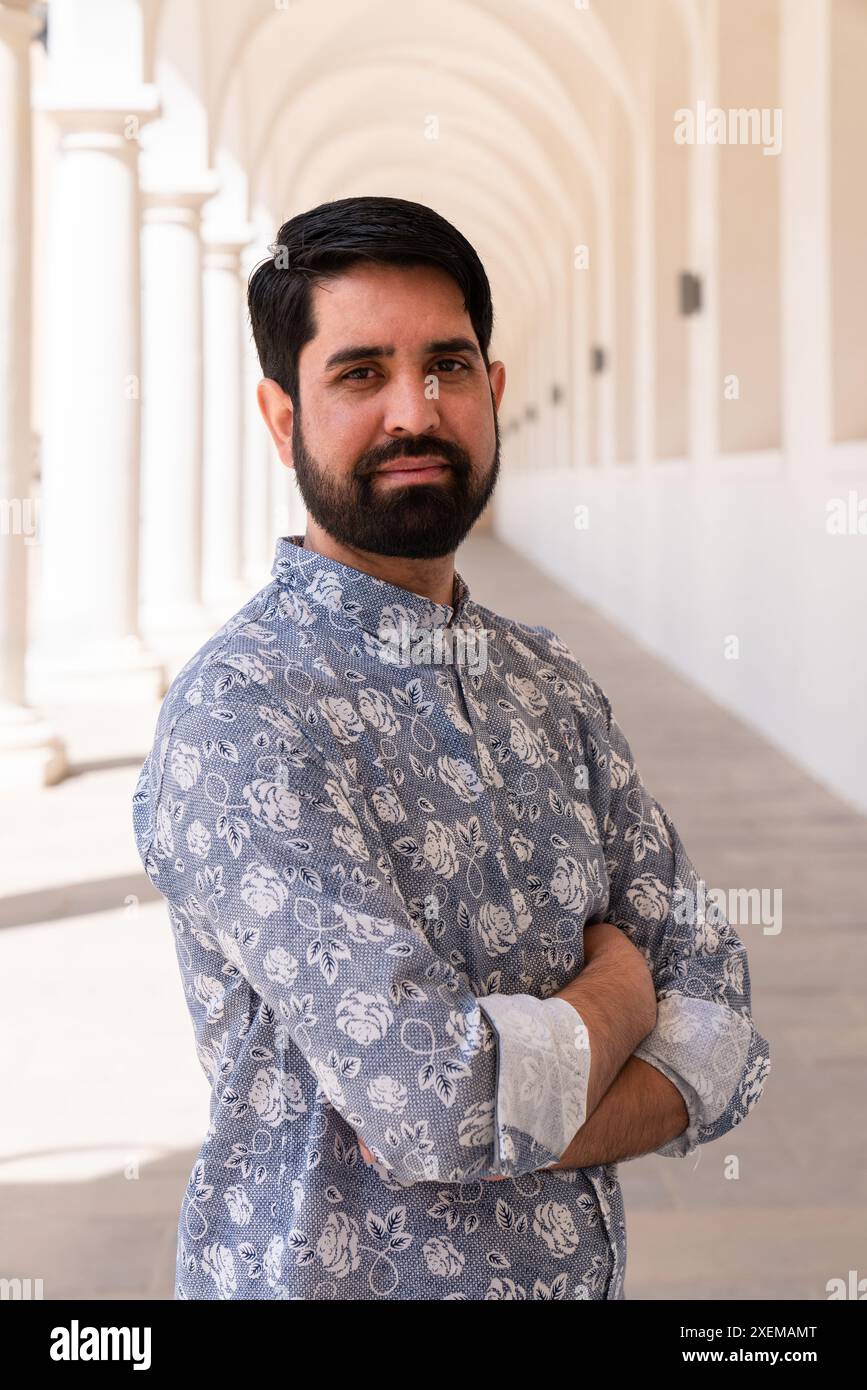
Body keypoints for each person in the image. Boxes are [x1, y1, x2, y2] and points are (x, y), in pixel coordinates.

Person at [131, 195, 771, 1300]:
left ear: (495, 392)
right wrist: (619, 992)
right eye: (360, 373)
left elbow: (721, 1021)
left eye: (447, 366)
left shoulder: (550, 685)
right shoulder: (245, 717)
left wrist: (508, 1092)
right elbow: (437, 1103)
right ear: (282, 419)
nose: (412, 412)